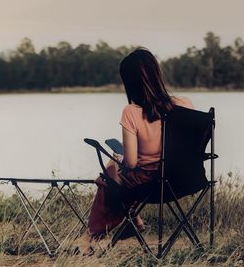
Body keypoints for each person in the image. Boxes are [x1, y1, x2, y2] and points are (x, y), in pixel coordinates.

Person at [76, 48, 194, 255]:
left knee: (109, 173)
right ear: (157, 74)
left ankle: (92, 236)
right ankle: (129, 220)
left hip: (151, 184)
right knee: (112, 172)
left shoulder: (131, 112)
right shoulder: (185, 104)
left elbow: (130, 163)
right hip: (185, 180)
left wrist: (118, 160)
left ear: (129, 82)